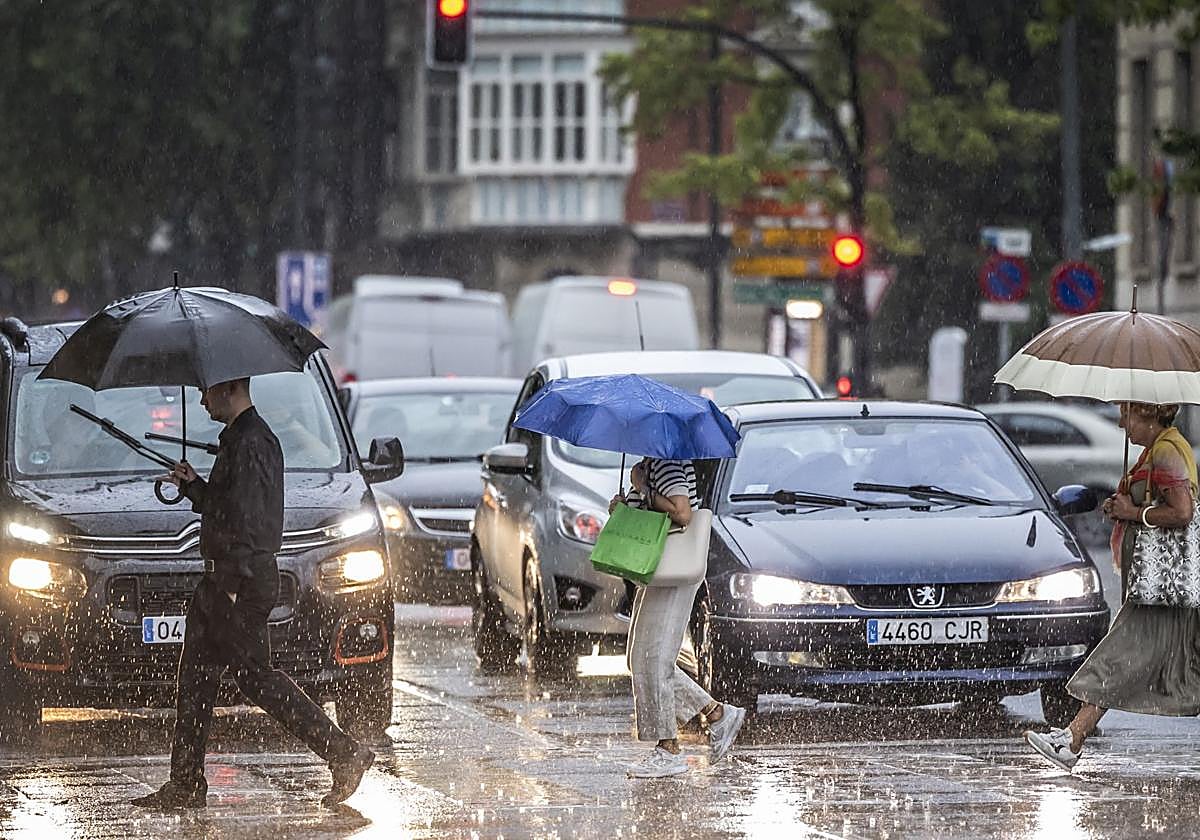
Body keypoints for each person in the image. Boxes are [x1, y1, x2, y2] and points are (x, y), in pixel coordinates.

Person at [132, 377, 374, 809]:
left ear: (228, 388)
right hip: (223, 580)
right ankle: (186, 783)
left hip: (237, 582)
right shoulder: (238, 441)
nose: (201, 400)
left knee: (256, 679)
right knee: (196, 680)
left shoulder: (253, 443)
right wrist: (194, 486)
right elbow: (230, 509)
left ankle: (344, 753)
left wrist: (231, 584)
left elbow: (252, 523)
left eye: (206, 391)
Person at [1024, 402, 1200, 771]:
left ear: (1148, 413)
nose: (1121, 423)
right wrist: (1123, 505)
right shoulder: (1157, 449)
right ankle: (1072, 738)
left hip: (1161, 586)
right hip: (1159, 585)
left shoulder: (1168, 451)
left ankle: (1072, 738)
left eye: (1126, 414)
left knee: (1120, 653)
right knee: (1167, 656)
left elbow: (1182, 511)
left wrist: (1133, 513)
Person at [611, 457, 746, 778]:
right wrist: (624, 506)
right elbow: (651, 516)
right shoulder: (650, 465)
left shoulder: (667, 464)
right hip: (657, 570)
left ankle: (669, 749)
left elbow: (682, 513)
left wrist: (643, 489)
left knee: (655, 659)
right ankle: (717, 714)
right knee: (641, 659)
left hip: (673, 570)